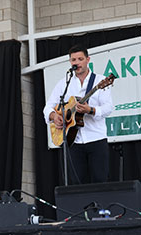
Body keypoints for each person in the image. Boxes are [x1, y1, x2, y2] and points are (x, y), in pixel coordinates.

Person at [43, 44, 113, 184]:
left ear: (88, 60)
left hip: (96, 138)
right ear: (70, 62)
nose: (77, 63)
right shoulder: (63, 84)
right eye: (73, 60)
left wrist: (91, 110)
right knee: (75, 183)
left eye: (80, 59)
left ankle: (100, 207)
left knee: (100, 180)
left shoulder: (100, 81)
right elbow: (48, 107)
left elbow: (109, 107)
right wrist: (54, 116)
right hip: (72, 141)